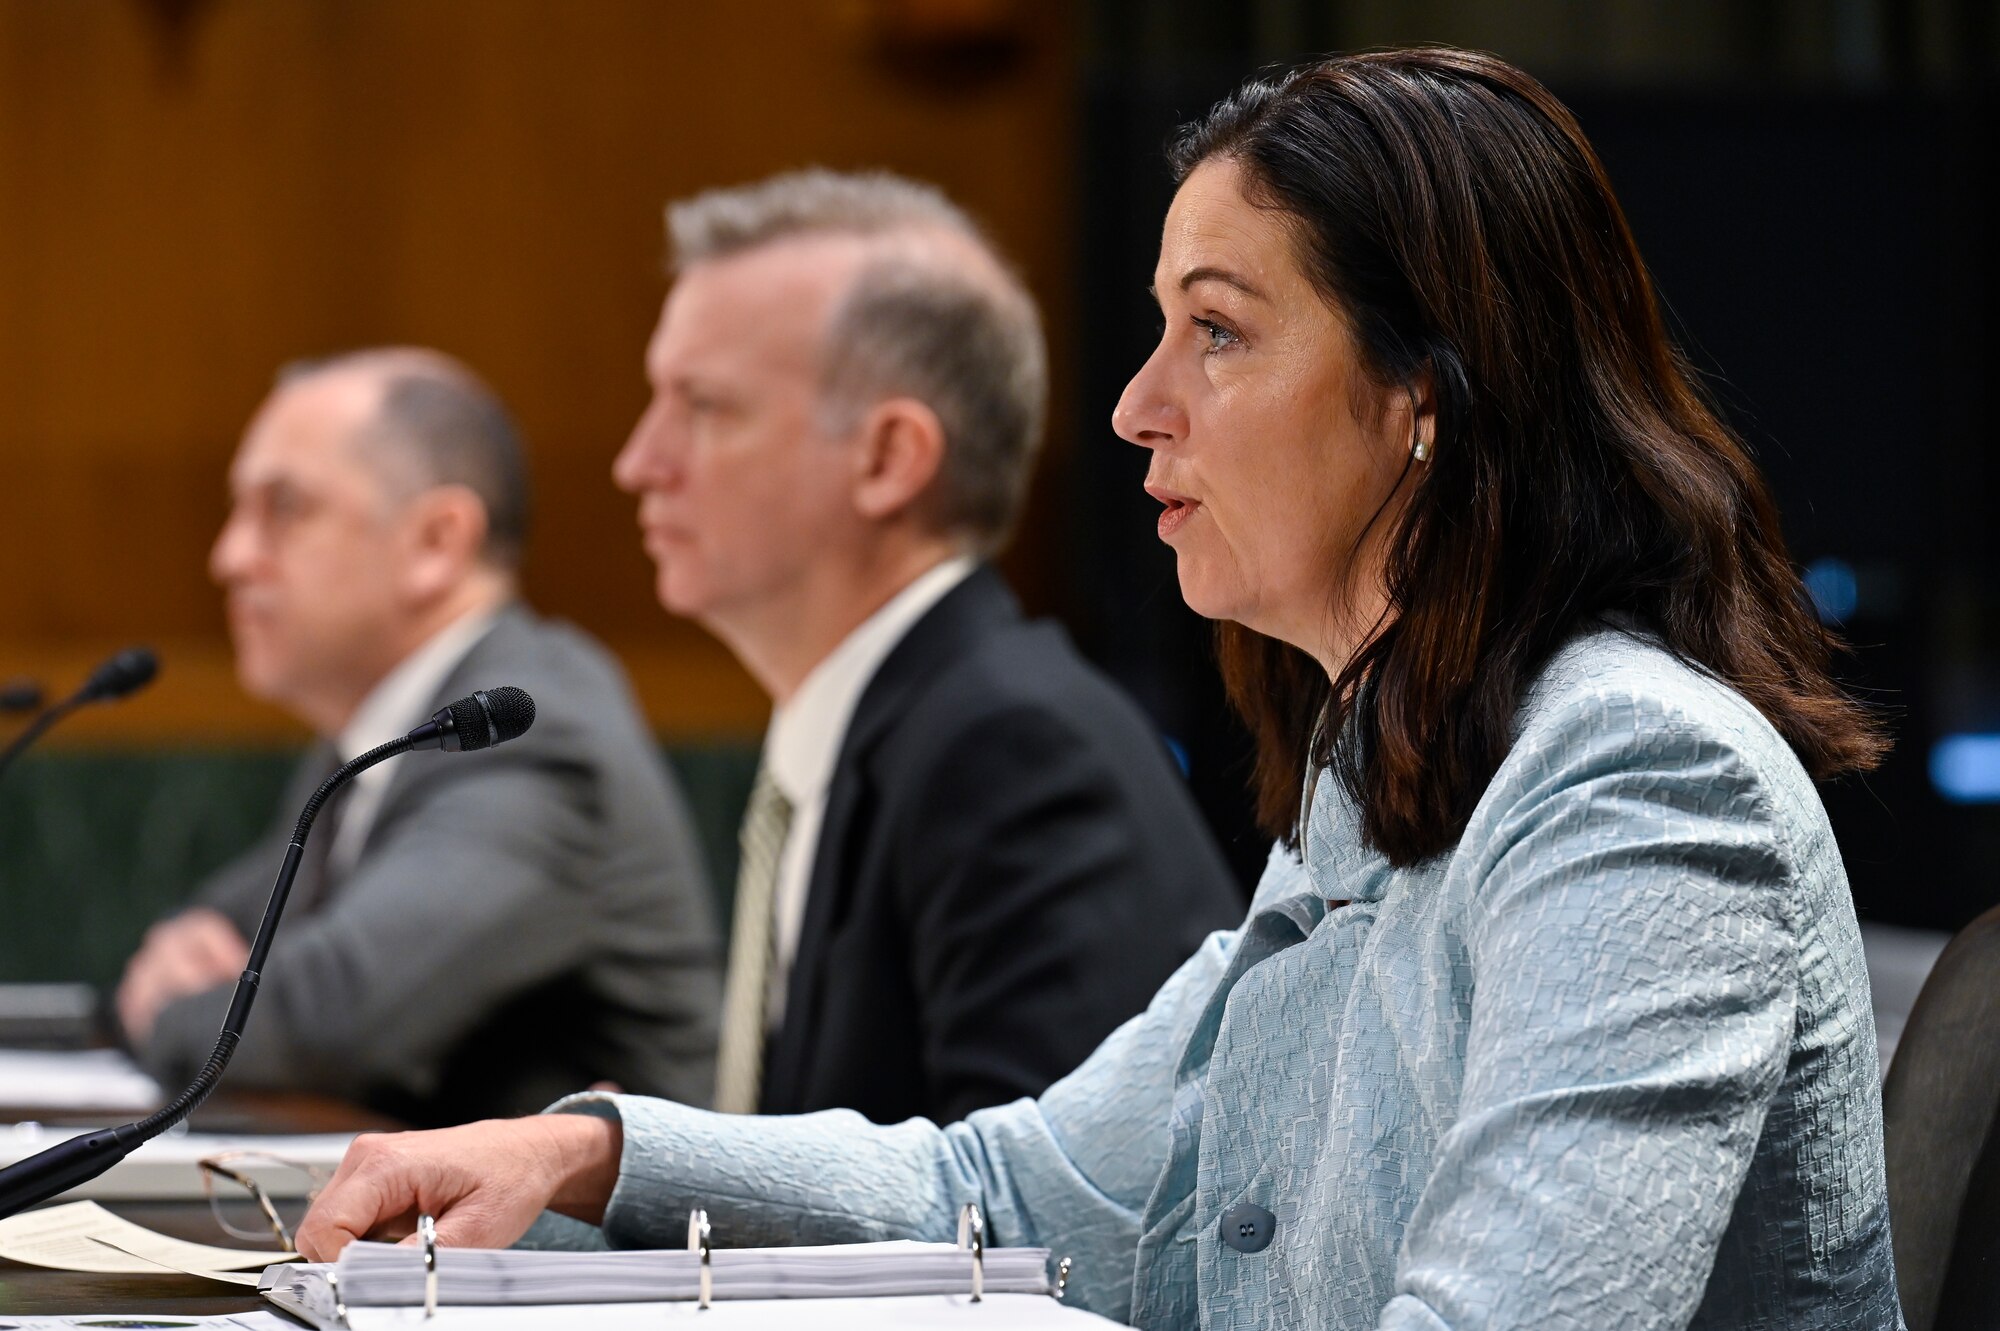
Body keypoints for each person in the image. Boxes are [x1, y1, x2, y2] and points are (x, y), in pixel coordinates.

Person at [293, 51, 1903, 1329]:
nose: (1137, 407)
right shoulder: (1379, 767)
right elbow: (1018, 1188)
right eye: (1157, 330)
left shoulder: (1639, 777)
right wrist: (594, 1145)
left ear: (1425, 390)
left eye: (1217, 331)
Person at [612, 169, 1241, 1125]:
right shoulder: (883, 728)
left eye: (703, 406)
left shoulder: (1011, 747)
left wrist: (652, 1175)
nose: (639, 462)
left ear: (888, 459)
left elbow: (1034, 1233)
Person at [115, 349, 722, 1127]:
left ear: (437, 541)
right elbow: (235, 927)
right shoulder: (380, 731)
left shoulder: (526, 729)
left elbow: (331, 1022)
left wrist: (166, 1007)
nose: (229, 556)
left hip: (613, 1246)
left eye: (285, 508)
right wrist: (180, 953)